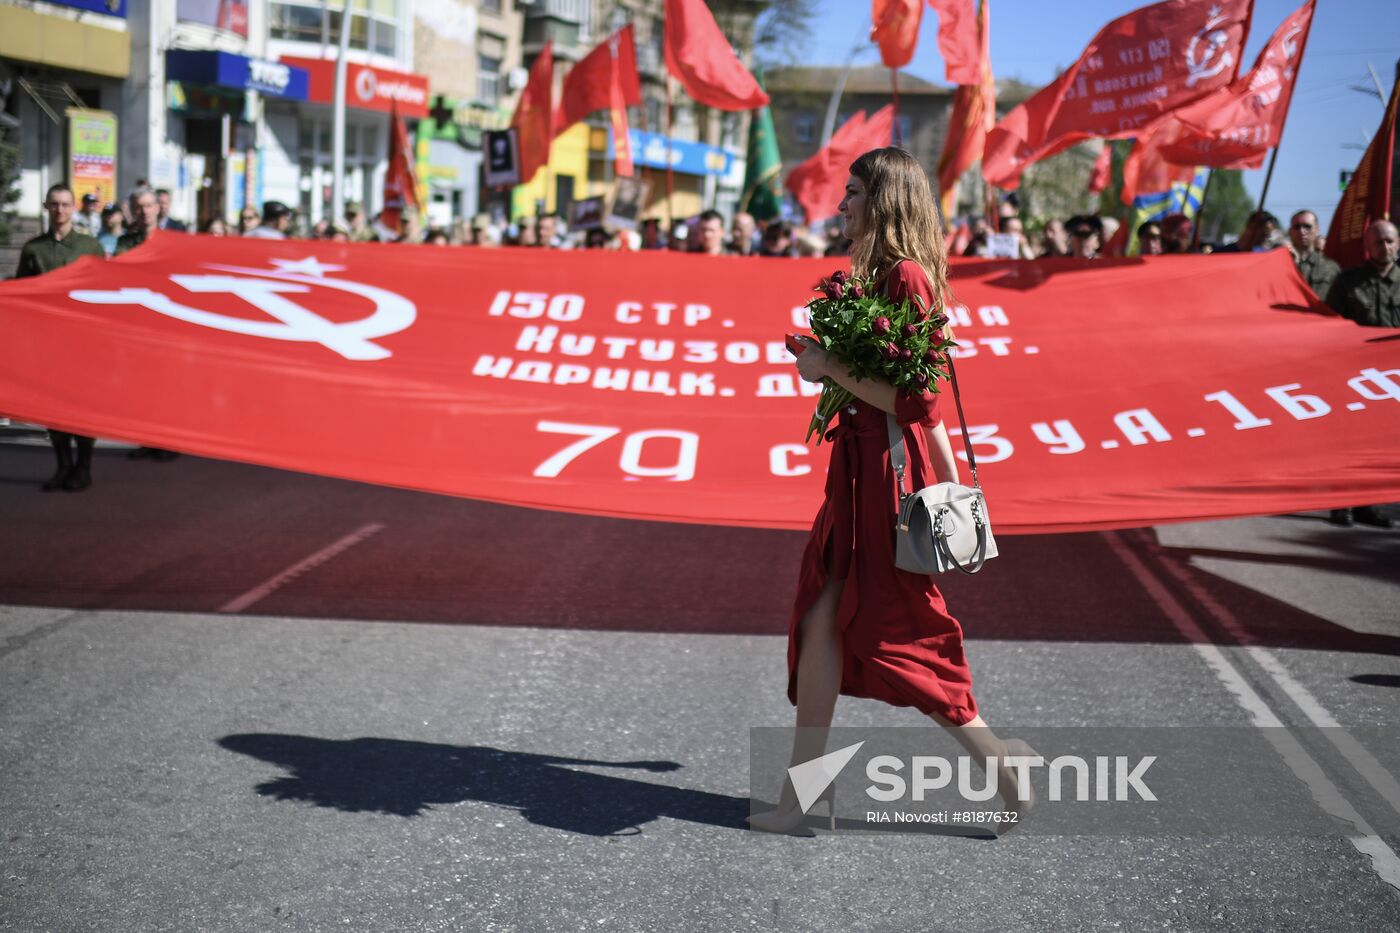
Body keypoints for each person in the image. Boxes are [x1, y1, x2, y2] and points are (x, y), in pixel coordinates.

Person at [748, 147, 1037, 835]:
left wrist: (829, 367)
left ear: (883, 199)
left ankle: (1004, 767)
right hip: (855, 474)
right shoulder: (874, 274)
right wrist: (830, 369)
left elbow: (915, 402)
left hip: (884, 477)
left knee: (900, 636)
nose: (842, 204)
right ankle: (802, 796)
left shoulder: (905, 276)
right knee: (821, 618)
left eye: (853, 193)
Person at [15, 184, 107, 491]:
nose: (60, 210)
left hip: (83, 341)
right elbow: (22, 293)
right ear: (46, 206)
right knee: (52, 407)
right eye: (54, 204)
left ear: (74, 208)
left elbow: (105, 292)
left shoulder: (89, 246)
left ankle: (84, 466)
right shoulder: (33, 249)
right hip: (48, 342)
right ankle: (62, 466)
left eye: (66, 204)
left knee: (82, 405)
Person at [1324, 219, 1399, 529]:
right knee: (1348, 442)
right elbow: (1328, 327)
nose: (1386, 247)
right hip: (1355, 376)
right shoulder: (1347, 282)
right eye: (1379, 242)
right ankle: (1340, 503)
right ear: (1368, 246)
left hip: (1393, 379)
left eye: (1390, 241)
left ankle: (1370, 502)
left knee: (1382, 443)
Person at [1288, 210, 1339, 301]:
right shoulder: (1279, 266)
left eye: (1307, 226)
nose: (1302, 231)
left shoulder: (1330, 268)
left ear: (1317, 230)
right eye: (1297, 227)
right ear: (1290, 231)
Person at [115, 186, 160, 255]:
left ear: (157, 208)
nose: (145, 211)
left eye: (148, 206)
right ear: (132, 211)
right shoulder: (125, 243)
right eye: (139, 207)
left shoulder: (170, 241)